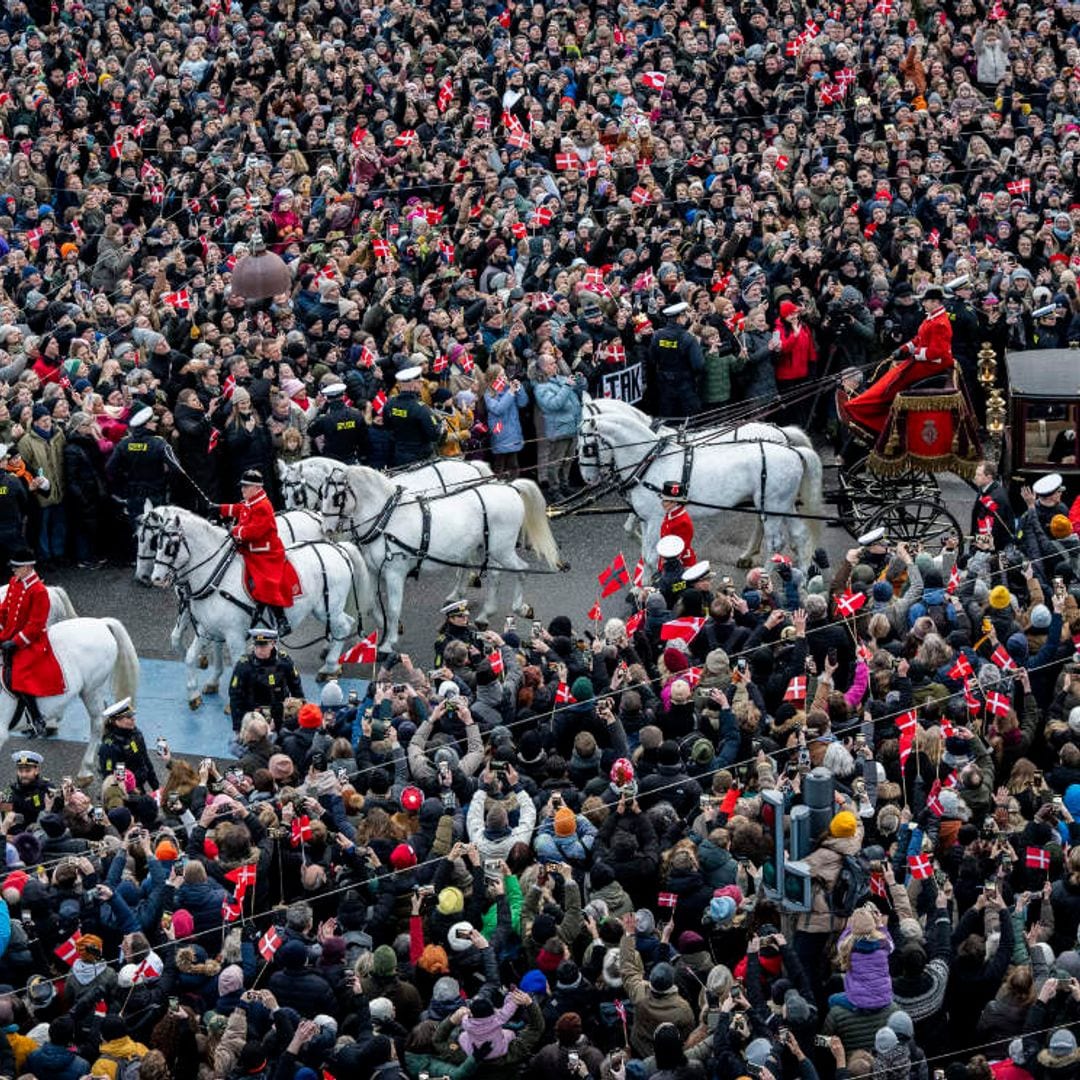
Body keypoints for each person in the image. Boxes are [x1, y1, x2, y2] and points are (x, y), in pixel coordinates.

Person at [838, 285, 954, 440]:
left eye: (925, 301)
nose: (923, 304)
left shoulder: (939, 323)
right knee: (891, 374)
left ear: (935, 302)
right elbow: (919, 339)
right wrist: (904, 349)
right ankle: (861, 404)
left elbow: (936, 352)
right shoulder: (932, 317)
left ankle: (863, 409)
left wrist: (913, 354)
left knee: (893, 381)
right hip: (925, 361)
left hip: (931, 365)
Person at [217, 469, 300, 637]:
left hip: (265, 552)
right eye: (243, 486)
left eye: (246, 487)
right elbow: (242, 509)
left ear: (256, 488)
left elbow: (254, 532)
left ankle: (281, 620)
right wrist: (220, 509)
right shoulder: (252, 501)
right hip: (251, 548)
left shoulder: (263, 506)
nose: (242, 490)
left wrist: (234, 530)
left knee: (265, 582)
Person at [0, 548, 64, 735]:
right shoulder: (14, 582)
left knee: (18, 675)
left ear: (28, 567)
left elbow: (36, 625)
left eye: (17, 567)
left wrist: (16, 642)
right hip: (10, 634)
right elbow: (5, 610)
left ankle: (36, 717)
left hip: (31, 641)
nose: (13, 570)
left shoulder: (39, 591)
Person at [105, 406, 174, 534]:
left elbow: (110, 469)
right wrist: (164, 479)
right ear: (146, 424)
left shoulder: (124, 444)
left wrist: (126, 479)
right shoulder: (159, 443)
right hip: (156, 492)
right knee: (158, 530)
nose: (155, 424)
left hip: (133, 493)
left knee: (138, 531)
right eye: (153, 422)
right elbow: (176, 468)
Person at [228, 627, 303, 729]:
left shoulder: (284, 662)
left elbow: (296, 687)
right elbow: (235, 696)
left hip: (282, 714)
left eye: (263, 646)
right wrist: (237, 726)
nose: (259, 650)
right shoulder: (244, 666)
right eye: (256, 645)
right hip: (255, 718)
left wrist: (300, 713)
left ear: (272, 643)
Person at [648, 302, 704, 419]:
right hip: (685, 385)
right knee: (689, 422)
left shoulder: (657, 336)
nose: (686, 318)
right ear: (679, 318)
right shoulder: (688, 338)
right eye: (684, 316)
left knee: (667, 420)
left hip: (664, 384)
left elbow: (652, 359)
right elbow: (698, 365)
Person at [96, 697, 160, 795]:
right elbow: (109, 776)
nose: (133, 719)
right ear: (117, 721)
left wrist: (156, 788)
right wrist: (129, 792)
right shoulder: (110, 746)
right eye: (129, 717)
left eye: (132, 715)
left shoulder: (135, 734)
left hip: (139, 787)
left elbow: (145, 760)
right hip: (125, 792)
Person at [384, 366, 442, 466]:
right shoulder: (421, 408)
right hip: (420, 459)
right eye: (420, 382)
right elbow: (434, 435)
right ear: (413, 385)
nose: (422, 384)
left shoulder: (390, 403)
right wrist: (440, 424)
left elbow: (387, 426)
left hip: (399, 455)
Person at [308, 383, 368, 465]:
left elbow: (311, 431)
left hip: (331, 462)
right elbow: (364, 439)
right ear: (343, 396)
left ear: (328, 399)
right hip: (351, 459)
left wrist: (321, 411)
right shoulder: (356, 415)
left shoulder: (325, 419)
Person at [971, 460, 1014, 551]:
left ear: (989, 477)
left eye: (979, 475)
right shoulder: (984, 489)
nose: (975, 477)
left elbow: (995, 529)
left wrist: (977, 547)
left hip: (994, 546)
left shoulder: (996, 498)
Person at [4, 749, 53, 825]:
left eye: (28, 771)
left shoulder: (46, 788)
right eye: (20, 771)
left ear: (36, 771)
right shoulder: (13, 789)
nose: (23, 775)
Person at [657, 481, 696, 568]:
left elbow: (680, 550)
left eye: (666, 500)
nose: (663, 503)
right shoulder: (671, 514)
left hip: (680, 565)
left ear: (675, 502)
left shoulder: (683, 522)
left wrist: (666, 569)